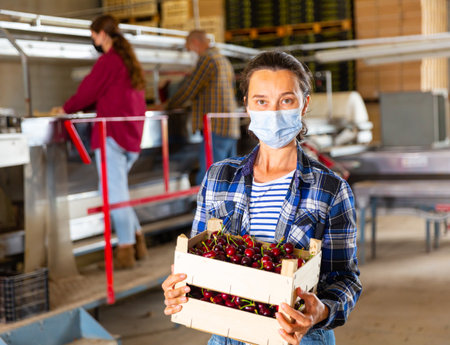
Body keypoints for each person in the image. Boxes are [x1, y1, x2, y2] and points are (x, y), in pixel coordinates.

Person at [162, 51, 362, 345]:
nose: (273, 112)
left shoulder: (330, 188)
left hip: (300, 337)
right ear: (247, 106)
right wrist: (179, 287)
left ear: (304, 104)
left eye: (286, 100)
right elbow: (198, 263)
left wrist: (322, 310)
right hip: (228, 335)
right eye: (261, 101)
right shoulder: (219, 178)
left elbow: (346, 279)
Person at [53, 15, 148, 269]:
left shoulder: (109, 61)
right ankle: (138, 240)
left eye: (93, 35)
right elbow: (110, 93)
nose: (93, 40)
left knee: (112, 195)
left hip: (111, 135)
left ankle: (126, 249)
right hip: (131, 136)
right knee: (116, 192)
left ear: (102, 34)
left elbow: (88, 90)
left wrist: (65, 108)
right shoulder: (128, 61)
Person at [166, 30, 240, 185]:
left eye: (189, 48)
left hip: (216, 127)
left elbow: (190, 89)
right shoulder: (223, 60)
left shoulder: (207, 59)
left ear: (195, 43)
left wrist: (169, 105)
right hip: (229, 125)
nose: (190, 52)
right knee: (228, 176)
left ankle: (208, 209)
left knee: (211, 177)